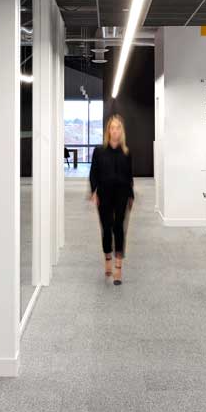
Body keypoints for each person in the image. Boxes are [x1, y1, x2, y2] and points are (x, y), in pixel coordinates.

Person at [89, 114, 134, 285]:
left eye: (118, 128)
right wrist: (94, 192)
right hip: (104, 194)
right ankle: (107, 256)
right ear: (108, 131)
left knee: (118, 227)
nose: (115, 131)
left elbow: (130, 175)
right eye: (112, 128)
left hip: (122, 194)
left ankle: (118, 267)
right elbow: (93, 172)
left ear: (121, 131)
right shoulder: (99, 151)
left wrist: (131, 195)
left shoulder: (126, 152)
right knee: (106, 227)